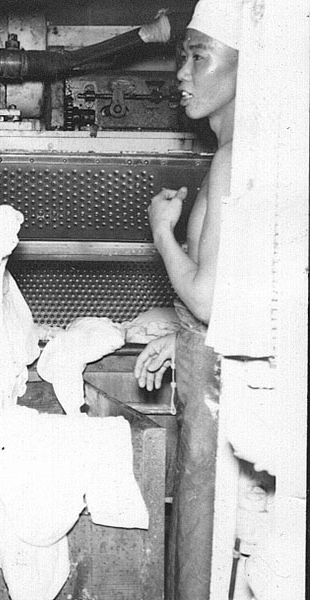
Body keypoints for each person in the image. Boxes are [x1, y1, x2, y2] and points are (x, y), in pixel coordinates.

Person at [133, 0, 240, 598]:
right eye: (183, 56)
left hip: (216, 396)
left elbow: (204, 298)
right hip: (204, 383)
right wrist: (174, 336)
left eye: (199, 57)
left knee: (203, 538)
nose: (181, 73)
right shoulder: (230, 156)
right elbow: (228, 300)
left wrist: (161, 231)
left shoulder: (231, 162)